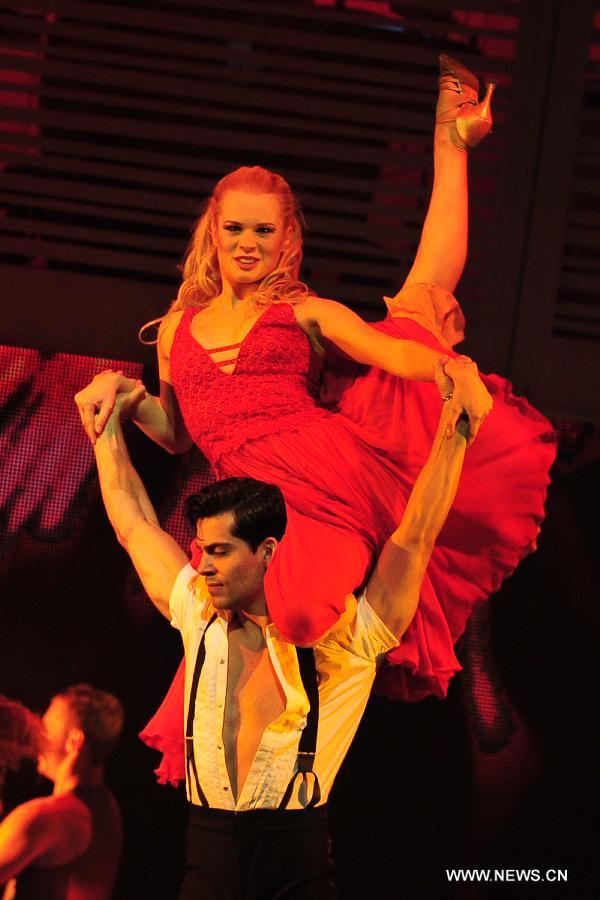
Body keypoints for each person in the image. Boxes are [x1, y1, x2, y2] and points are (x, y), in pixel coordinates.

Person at [74, 56, 555, 785]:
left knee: (417, 307)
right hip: (253, 505)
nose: (247, 243)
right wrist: (129, 397)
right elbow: (180, 433)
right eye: (234, 228)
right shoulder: (176, 330)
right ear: (213, 230)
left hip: (331, 485)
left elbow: (398, 351)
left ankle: (447, 147)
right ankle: (260, 801)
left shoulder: (303, 313)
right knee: (224, 645)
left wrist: (447, 369)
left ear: (286, 237)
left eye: (263, 231)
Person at [90, 374, 470, 898]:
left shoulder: (346, 639)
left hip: (297, 872)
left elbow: (415, 537)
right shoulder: (197, 617)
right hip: (207, 864)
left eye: (220, 552)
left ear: (266, 551)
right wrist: (105, 428)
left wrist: (458, 430)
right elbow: (132, 524)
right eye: (202, 550)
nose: (202, 565)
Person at [0, 685, 124, 900]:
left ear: (74, 741)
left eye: (46, 726)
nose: (37, 734)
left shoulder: (48, 816)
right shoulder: (109, 809)